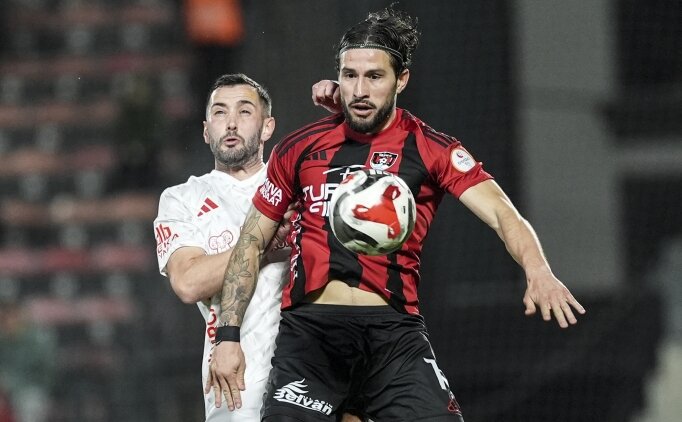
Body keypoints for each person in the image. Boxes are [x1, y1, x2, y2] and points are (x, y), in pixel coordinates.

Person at [208, 6, 586, 422]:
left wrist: (538, 269)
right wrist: (228, 336)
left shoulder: (430, 148)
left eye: (374, 76)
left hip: (392, 337)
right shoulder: (299, 147)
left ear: (401, 80)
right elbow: (251, 240)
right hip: (312, 337)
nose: (359, 90)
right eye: (350, 75)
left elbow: (502, 214)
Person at [154, 74, 356, 421]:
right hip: (237, 378)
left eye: (245, 111)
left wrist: (346, 114)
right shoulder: (182, 198)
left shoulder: (297, 179)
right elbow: (188, 282)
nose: (231, 123)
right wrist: (266, 244)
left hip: (315, 367)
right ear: (206, 131)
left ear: (267, 127)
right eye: (220, 113)